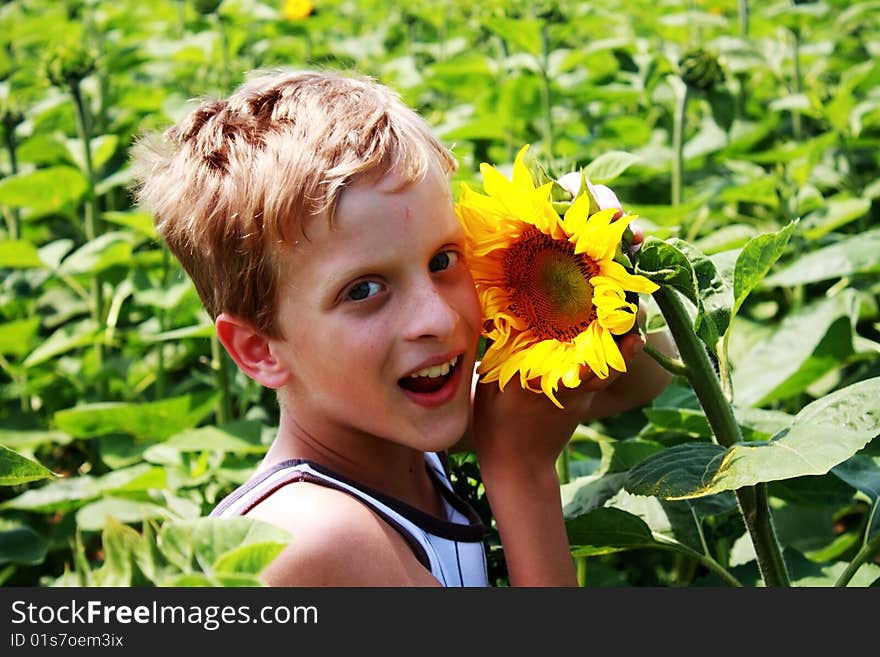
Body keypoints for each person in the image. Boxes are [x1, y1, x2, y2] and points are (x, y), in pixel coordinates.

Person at [132, 69, 674, 587]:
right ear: (259, 350)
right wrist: (521, 470)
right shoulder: (319, 538)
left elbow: (650, 375)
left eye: (442, 260)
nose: (436, 318)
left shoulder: (393, 439)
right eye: (364, 290)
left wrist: (601, 281)